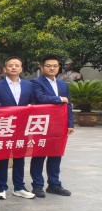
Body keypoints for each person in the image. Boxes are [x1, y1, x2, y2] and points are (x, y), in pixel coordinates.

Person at [30, 55, 75, 198]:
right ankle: (37, 185)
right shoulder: (35, 82)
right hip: (42, 124)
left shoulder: (63, 85)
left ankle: (54, 184)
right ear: (42, 67)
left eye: (55, 66)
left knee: (56, 154)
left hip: (59, 124)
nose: (52, 68)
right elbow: (40, 98)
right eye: (48, 66)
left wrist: (70, 123)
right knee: (39, 155)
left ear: (58, 67)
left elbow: (68, 105)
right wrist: (59, 99)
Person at [0, 57, 36, 199]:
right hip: (4, 126)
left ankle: (19, 187)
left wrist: (31, 106)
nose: (13, 68)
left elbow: (33, 102)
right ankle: (1, 188)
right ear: (5, 69)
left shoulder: (28, 85)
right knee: (2, 157)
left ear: (21, 69)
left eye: (17, 65)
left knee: (19, 157)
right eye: (10, 65)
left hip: (22, 127)